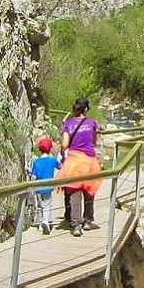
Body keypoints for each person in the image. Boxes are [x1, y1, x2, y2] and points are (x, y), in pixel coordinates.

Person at [59, 97, 101, 237]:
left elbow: (64, 144)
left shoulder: (69, 124)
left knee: (74, 192)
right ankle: (88, 220)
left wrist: (63, 153)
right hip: (90, 161)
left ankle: (76, 224)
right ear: (87, 109)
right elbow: (94, 140)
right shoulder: (92, 123)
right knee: (89, 191)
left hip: (75, 161)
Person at [29, 136, 61, 235]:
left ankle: (39, 224)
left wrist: (31, 188)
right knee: (47, 205)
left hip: (38, 188)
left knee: (39, 206)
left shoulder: (36, 162)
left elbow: (33, 175)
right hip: (48, 187)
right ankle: (45, 221)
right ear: (50, 148)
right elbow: (60, 166)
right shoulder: (52, 160)